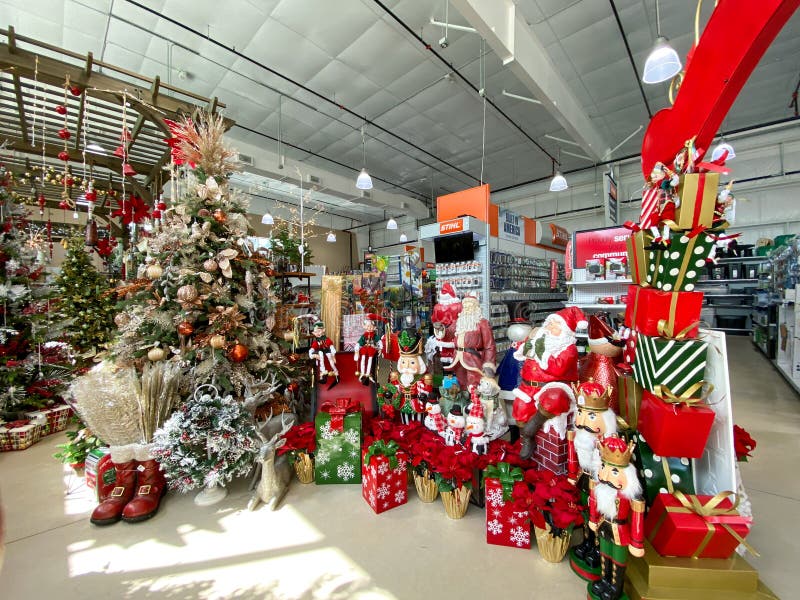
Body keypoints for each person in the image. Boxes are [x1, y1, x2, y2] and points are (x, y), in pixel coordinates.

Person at [512, 306, 586, 460]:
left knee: (554, 399)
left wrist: (543, 353)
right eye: (549, 322)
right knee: (519, 408)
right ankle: (527, 440)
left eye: (555, 324)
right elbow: (524, 350)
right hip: (529, 386)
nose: (549, 326)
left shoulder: (568, 349)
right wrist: (522, 347)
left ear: (565, 331)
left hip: (552, 386)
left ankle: (529, 431)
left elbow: (558, 369)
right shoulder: (539, 339)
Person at [567, 380, 618, 581]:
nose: (581, 421)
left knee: (598, 515)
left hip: (600, 484)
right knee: (586, 510)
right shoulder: (580, 437)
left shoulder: (608, 447)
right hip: (584, 477)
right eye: (580, 413)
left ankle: (598, 548)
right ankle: (588, 542)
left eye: (590, 416)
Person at [588, 436, 645, 600]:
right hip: (603, 525)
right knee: (605, 555)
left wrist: (637, 542)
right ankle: (604, 581)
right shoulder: (600, 488)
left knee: (618, 560)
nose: (605, 475)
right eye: (604, 467)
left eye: (613, 471)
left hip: (620, 531)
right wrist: (593, 519)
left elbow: (637, 519)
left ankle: (615, 588)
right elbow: (594, 502)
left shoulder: (630, 496)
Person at [444, 292, 496, 390]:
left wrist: (489, 364)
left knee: (474, 382)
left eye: (470, 305)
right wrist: (440, 329)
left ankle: (475, 403)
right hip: (458, 358)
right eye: (465, 305)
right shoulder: (459, 322)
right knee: (461, 382)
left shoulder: (482, 323)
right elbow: (448, 334)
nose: (467, 308)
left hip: (473, 358)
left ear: (476, 307)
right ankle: (464, 401)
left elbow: (489, 346)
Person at [394, 330, 431, 424]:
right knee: (404, 418)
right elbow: (395, 389)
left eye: (412, 363)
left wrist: (425, 392)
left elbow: (426, 390)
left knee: (417, 419)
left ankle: (418, 428)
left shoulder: (421, 378)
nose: (406, 367)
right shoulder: (400, 377)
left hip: (416, 402)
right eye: (403, 362)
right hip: (403, 401)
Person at [308, 320, 338, 388]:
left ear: (323, 330)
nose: (317, 333)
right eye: (316, 332)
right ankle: (323, 373)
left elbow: (331, 347)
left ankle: (335, 372)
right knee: (320, 353)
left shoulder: (327, 340)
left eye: (319, 331)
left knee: (329, 357)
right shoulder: (316, 342)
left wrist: (333, 354)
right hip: (320, 354)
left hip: (327, 352)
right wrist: (311, 354)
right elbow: (312, 349)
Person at [354, 313, 382, 385]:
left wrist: (380, 348)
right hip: (364, 348)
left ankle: (368, 373)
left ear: (374, 327)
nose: (369, 328)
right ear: (365, 327)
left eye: (371, 326)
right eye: (368, 326)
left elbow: (379, 342)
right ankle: (362, 373)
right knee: (363, 359)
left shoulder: (375, 335)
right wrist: (357, 349)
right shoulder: (364, 335)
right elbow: (359, 342)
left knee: (370, 360)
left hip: (371, 349)